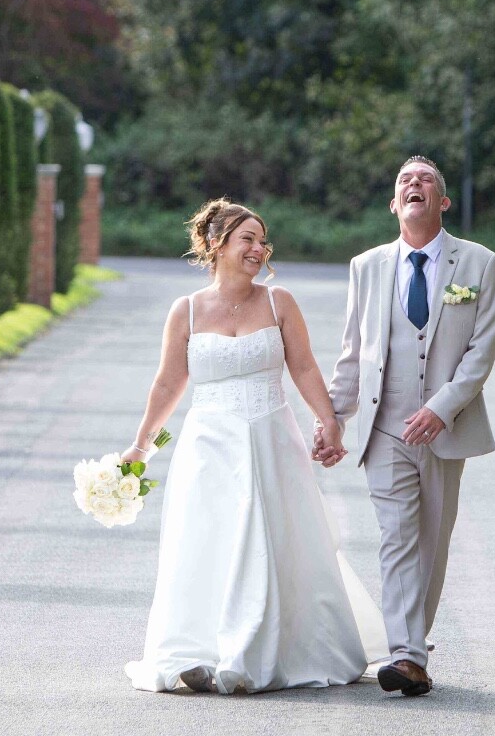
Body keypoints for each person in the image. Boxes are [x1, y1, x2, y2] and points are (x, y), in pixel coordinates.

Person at [123, 198, 387, 695]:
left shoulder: (278, 302)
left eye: (263, 241)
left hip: (271, 440)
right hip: (209, 446)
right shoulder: (186, 311)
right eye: (247, 239)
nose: (259, 249)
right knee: (210, 541)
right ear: (216, 244)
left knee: (272, 542)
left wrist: (328, 421)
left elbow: (303, 367)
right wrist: (141, 447)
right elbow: (168, 383)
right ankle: (199, 649)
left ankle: (270, 649)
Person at [314, 155, 495, 697]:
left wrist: (442, 408)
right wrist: (334, 419)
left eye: (425, 180)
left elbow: (481, 352)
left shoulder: (480, 263)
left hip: (445, 428)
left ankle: (411, 645)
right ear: (394, 204)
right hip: (385, 428)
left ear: (443, 201)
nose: (413, 184)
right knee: (396, 537)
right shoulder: (366, 266)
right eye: (404, 181)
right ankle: (407, 656)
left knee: (431, 544)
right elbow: (353, 353)